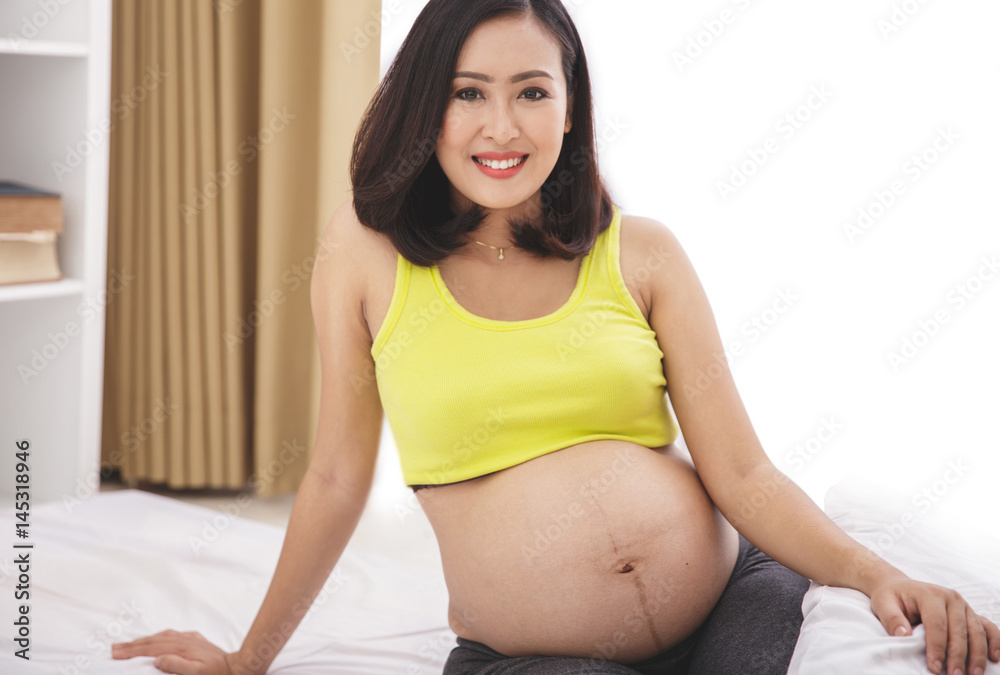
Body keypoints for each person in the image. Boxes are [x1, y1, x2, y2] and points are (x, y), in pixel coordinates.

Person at [112, 1, 1000, 673]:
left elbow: (743, 473)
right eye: (469, 94)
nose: (503, 128)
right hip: (530, 654)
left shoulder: (642, 251)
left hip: (736, 601)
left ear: (569, 109)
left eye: (532, 92)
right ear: (427, 108)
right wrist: (246, 660)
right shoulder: (367, 252)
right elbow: (340, 476)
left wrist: (877, 574)